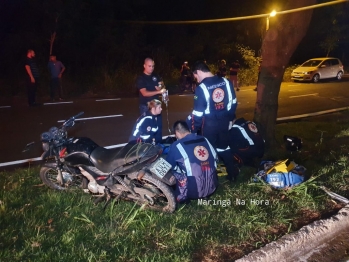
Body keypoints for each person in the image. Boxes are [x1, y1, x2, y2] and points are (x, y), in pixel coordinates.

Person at [186, 60, 237, 149]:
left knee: (210, 150)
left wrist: (193, 130)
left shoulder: (201, 88)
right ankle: (230, 163)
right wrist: (230, 119)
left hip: (209, 125)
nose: (197, 80)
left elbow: (198, 113)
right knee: (224, 148)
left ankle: (214, 161)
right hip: (225, 122)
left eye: (196, 77)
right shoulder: (226, 81)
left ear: (198, 72)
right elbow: (234, 102)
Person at [166, 120, 218, 203]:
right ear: (188, 129)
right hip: (212, 187)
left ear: (177, 132)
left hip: (193, 192)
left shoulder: (177, 145)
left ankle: (183, 196)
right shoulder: (204, 139)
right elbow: (215, 157)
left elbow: (168, 165)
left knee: (169, 169)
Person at [217, 116, 265, 181]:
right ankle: (249, 161)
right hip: (261, 147)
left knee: (229, 149)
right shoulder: (249, 122)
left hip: (253, 149)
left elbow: (231, 143)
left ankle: (236, 166)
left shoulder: (235, 128)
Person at [136, 58, 166, 143]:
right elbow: (144, 93)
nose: (151, 68)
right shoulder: (141, 78)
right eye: (149, 66)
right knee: (147, 128)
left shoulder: (155, 76)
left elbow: (161, 86)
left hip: (157, 106)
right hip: (146, 107)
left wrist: (162, 90)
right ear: (144, 66)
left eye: (153, 66)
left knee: (158, 127)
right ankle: (147, 147)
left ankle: (159, 145)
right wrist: (159, 91)